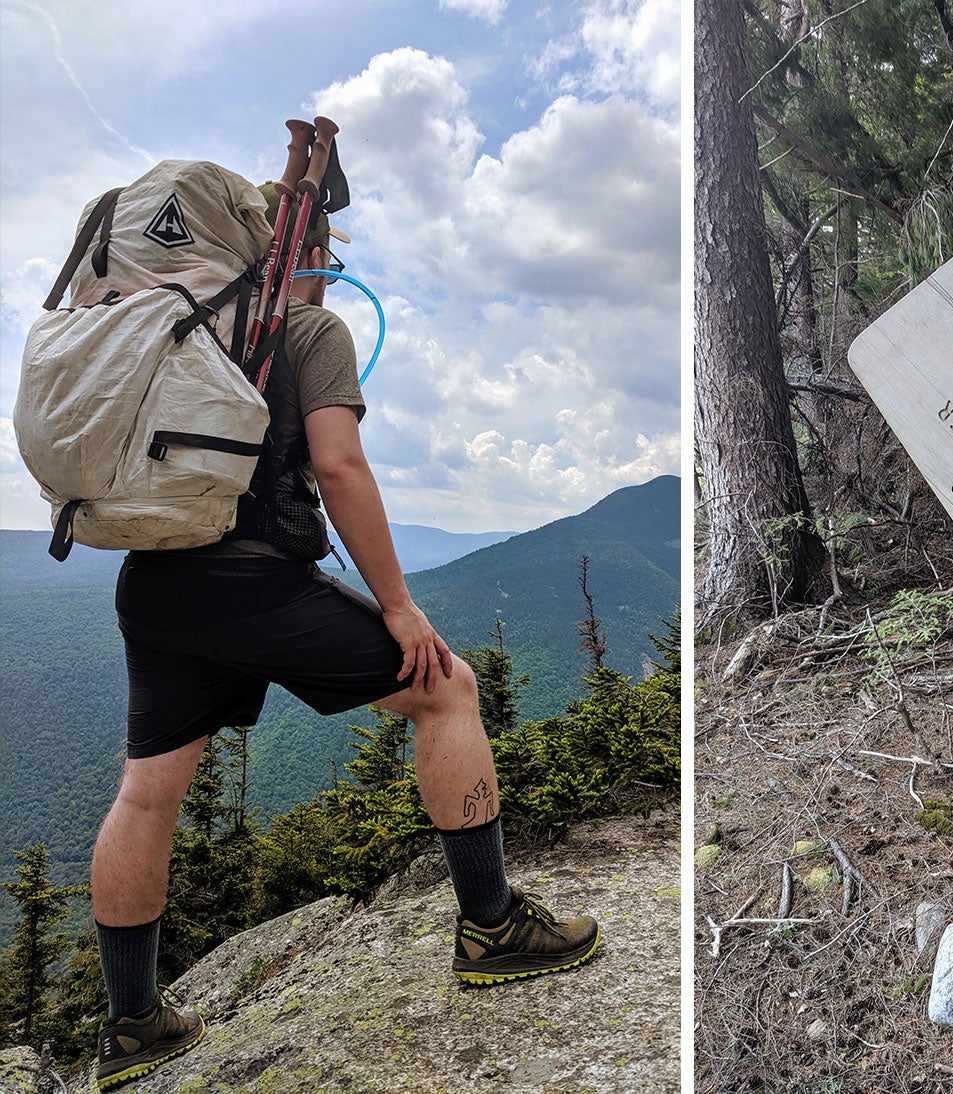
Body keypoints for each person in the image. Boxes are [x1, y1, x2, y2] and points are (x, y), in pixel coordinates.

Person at [89, 190, 599, 1091]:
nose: (330, 274)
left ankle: (133, 1024)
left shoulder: (173, 334)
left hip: (154, 585)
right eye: (327, 257)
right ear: (306, 256)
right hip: (257, 583)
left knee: (147, 793)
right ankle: (490, 925)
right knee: (447, 689)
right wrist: (398, 605)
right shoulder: (308, 332)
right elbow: (339, 464)